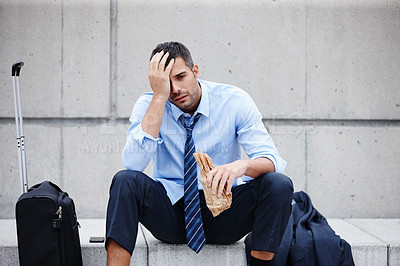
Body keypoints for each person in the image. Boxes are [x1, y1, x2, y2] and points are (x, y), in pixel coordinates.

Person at [106, 41, 293, 266]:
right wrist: (158, 98)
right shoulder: (150, 104)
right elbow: (133, 164)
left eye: (181, 77)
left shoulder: (234, 101)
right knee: (125, 181)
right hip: (171, 212)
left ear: (195, 71)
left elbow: (271, 159)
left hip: (224, 209)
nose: (175, 89)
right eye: (166, 82)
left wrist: (240, 166)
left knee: (278, 184)